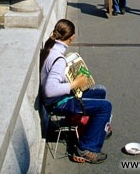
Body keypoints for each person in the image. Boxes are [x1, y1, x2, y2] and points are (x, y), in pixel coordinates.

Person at [40, 19, 112, 164]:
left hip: (61, 97)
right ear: (71, 37)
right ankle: (85, 148)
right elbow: (49, 90)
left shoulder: (51, 48)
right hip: (59, 103)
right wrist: (75, 84)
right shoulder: (58, 59)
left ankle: (94, 130)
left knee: (100, 91)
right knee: (106, 107)